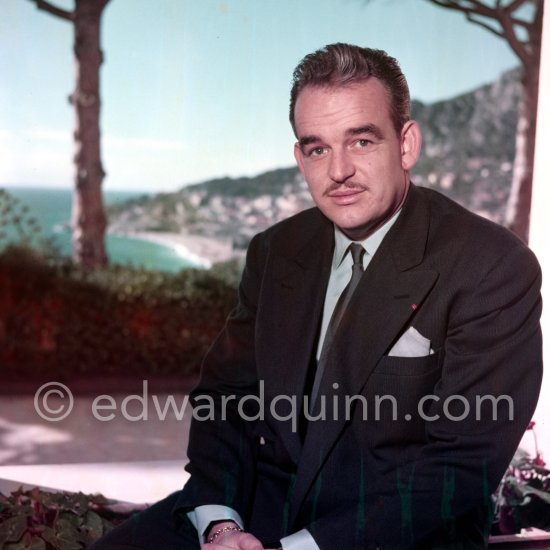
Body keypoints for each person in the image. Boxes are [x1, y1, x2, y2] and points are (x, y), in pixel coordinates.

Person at [92, 43, 542, 549]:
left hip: (385, 533)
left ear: (407, 143)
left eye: (362, 141)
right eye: (317, 148)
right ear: (299, 158)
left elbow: (459, 469)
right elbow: (225, 399)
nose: (339, 171)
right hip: (253, 515)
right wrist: (222, 524)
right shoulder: (276, 250)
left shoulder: (491, 266)